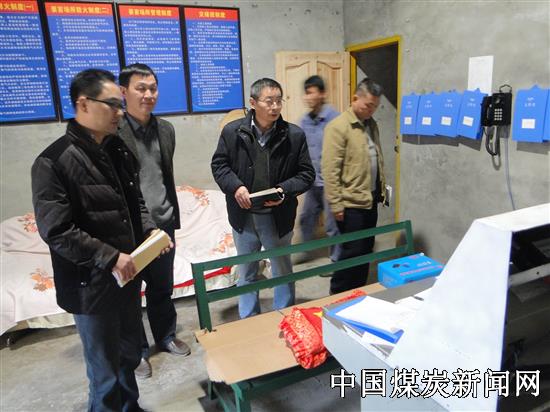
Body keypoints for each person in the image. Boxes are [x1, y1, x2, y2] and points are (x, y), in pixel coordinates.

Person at [31, 68, 161, 411]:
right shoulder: (53, 161)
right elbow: (56, 231)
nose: (120, 112)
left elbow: (136, 202)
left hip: (127, 277)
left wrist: (149, 230)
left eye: (120, 105)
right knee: (105, 374)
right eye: (112, 104)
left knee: (129, 357)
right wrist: (111, 257)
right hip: (90, 286)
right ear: (83, 104)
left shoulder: (117, 150)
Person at [211, 78, 315, 318]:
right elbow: (219, 166)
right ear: (253, 102)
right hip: (243, 216)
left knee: (282, 271)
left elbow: (306, 174)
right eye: (269, 101)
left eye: (279, 101)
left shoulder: (293, 135)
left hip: (278, 216)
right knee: (247, 273)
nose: (275, 107)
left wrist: (283, 190)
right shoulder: (232, 132)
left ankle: (285, 318)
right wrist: (236, 187)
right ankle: (248, 320)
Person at [118, 63, 189, 379]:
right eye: (140, 88)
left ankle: (166, 335)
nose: (148, 94)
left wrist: (166, 219)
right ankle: (137, 352)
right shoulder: (113, 132)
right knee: (130, 295)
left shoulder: (166, 130)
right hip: (130, 230)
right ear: (123, 92)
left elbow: (163, 175)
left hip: (164, 225)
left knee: (162, 287)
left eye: (152, 88)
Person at [321, 78, 387, 295]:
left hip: (370, 199)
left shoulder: (372, 125)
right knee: (351, 253)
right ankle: (338, 295)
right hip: (350, 204)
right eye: (368, 105)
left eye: (375, 106)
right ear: (355, 98)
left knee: (366, 250)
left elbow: (376, 159)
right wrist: (336, 204)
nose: (371, 110)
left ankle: (358, 293)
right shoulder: (338, 127)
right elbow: (330, 170)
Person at [297, 75, 340, 262]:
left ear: (322, 94)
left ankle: (336, 260)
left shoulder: (334, 119)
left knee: (332, 225)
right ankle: (307, 252)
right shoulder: (305, 121)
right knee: (306, 218)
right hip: (313, 181)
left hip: (331, 183)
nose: (306, 97)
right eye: (305, 93)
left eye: (310, 93)